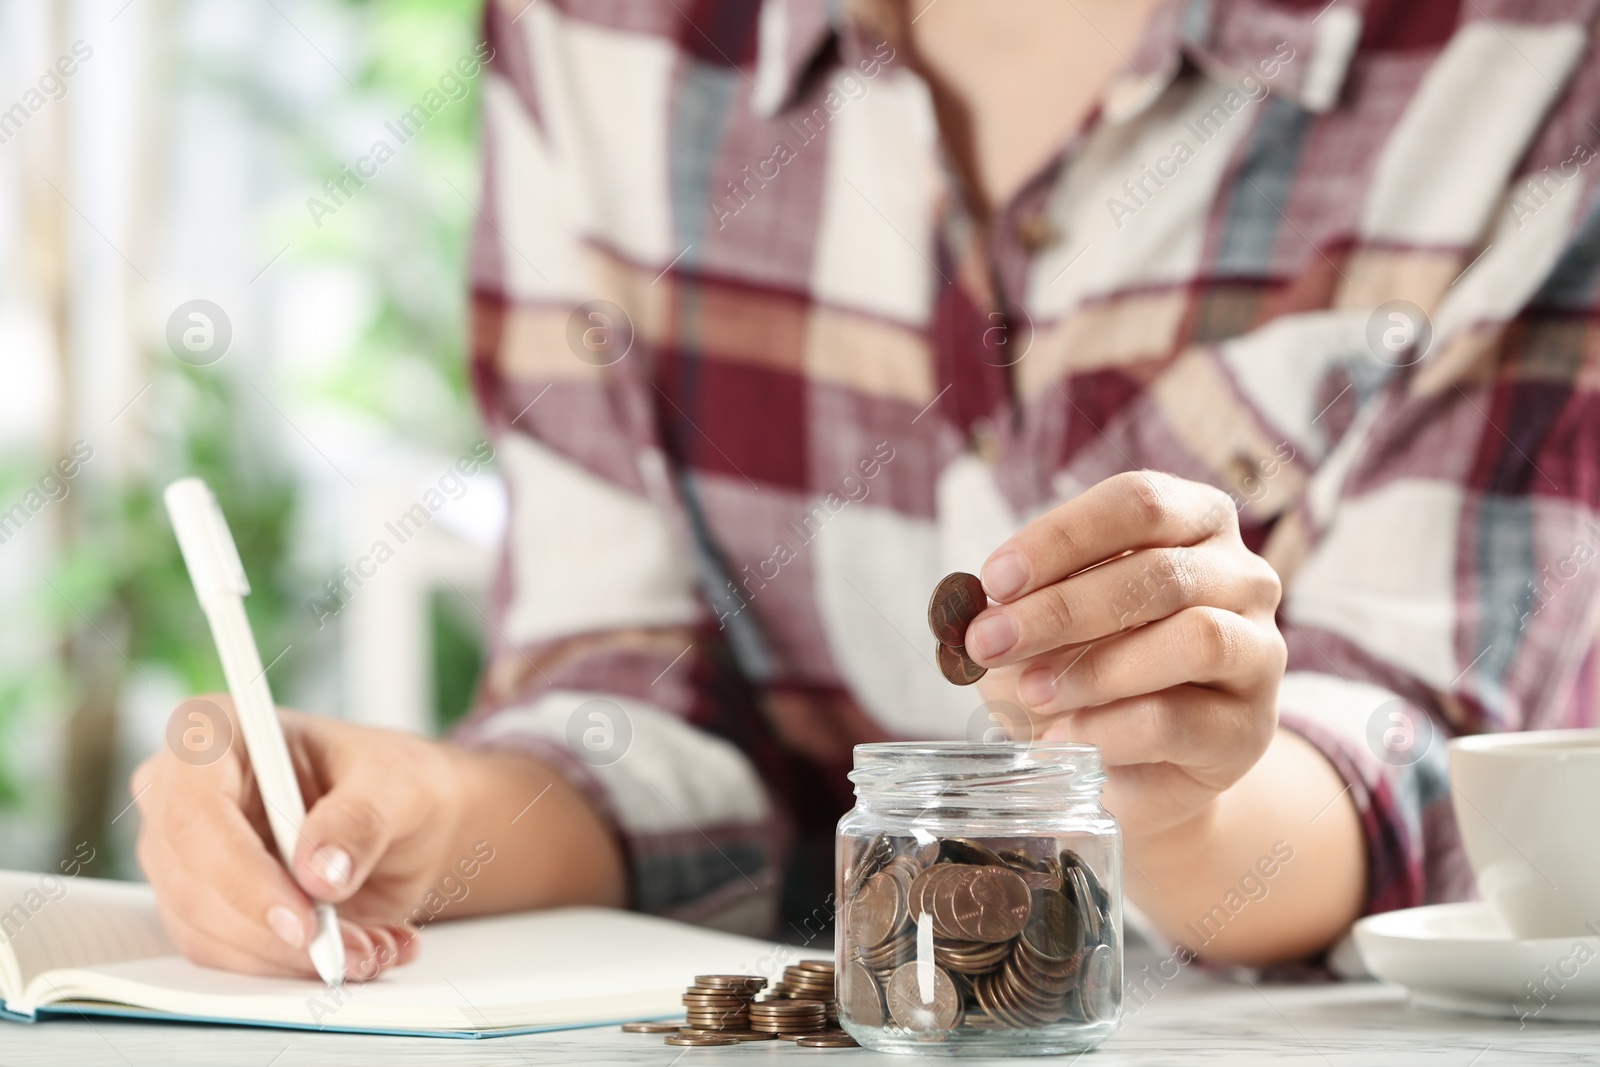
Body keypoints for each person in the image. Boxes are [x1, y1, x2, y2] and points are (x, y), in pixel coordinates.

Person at [133, 0, 1600, 981]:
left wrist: (1170, 795)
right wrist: (418, 813)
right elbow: (630, 685)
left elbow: (1438, 755)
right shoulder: (594, 33)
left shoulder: (1531, 53)